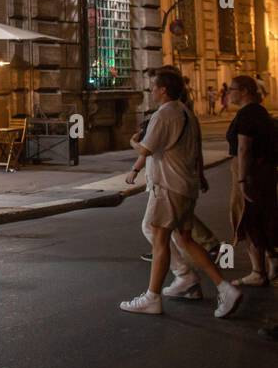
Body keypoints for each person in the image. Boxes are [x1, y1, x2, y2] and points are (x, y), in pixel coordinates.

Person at [119, 71, 243, 318]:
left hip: (168, 186)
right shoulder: (186, 112)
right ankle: (220, 286)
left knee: (159, 237)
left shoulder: (164, 115)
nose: (151, 91)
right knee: (185, 238)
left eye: (153, 87)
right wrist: (201, 176)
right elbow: (196, 148)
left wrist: (133, 142)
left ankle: (152, 297)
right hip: (186, 186)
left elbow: (146, 147)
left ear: (163, 89)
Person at [225, 75, 278, 286]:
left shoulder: (246, 115)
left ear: (245, 90)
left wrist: (241, 180)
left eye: (232, 88)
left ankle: (258, 271)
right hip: (264, 171)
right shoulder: (261, 112)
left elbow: (244, 148)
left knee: (247, 218)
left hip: (249, 172)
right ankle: (271, 259)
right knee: (262, 215)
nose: (229, 92)